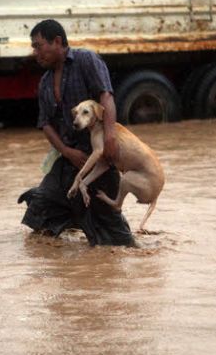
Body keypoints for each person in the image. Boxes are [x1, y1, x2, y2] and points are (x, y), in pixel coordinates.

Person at [17, 19, 137, 247]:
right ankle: (48, 198)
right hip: (68, 160)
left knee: (115, 240)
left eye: (38, 45)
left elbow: (106, 97)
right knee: (40, 212)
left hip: (99, 158)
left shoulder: (85, 60)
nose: (35, 52)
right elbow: (45, 124)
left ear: (57, 41)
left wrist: (110, 135)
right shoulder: (44, 83)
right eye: (33, 47)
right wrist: (67, 152)